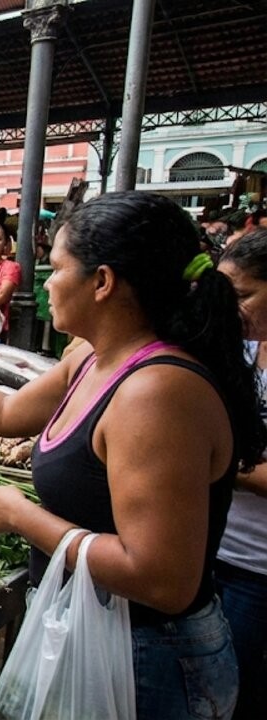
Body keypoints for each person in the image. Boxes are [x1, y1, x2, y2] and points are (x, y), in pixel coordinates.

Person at [0, 191, 259, 720]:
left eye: (58, 268)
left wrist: (24, 518)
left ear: (103, 282)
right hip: (90, 629)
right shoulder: (94, 356)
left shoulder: (156, 393)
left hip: (147, 661)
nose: (45, 282)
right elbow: (4, 412)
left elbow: (162, 580)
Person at [212, 228, 267, 719]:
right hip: (214, 547)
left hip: (259, 569)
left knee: (239, 690)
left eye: (245, 295)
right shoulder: (243, 353)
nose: (233, 309)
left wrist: (215, 461)